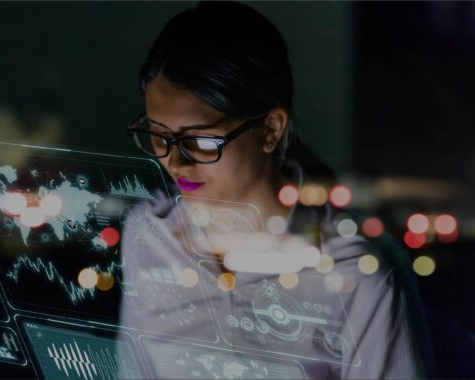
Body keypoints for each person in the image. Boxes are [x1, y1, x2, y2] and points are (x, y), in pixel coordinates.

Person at [118, 2, 433, 379]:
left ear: (270, 130)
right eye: (158, 135)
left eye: (200, 140)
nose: (176, 163)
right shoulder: (150, 236)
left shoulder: (356, 274)